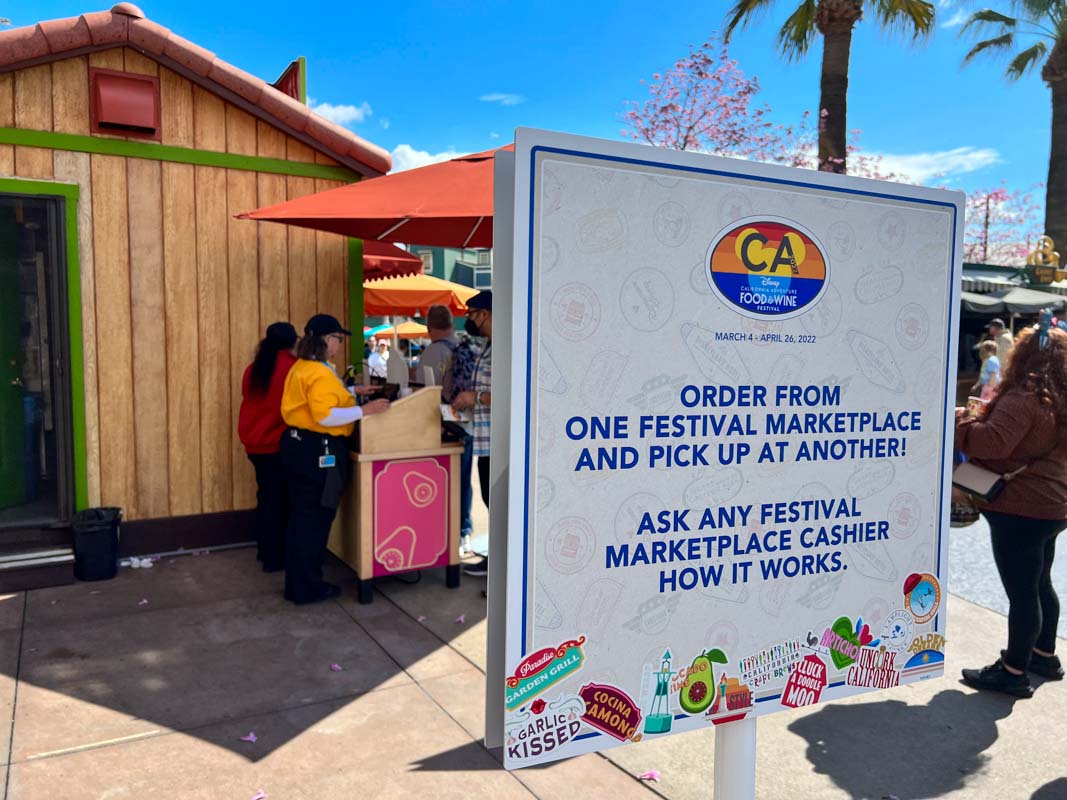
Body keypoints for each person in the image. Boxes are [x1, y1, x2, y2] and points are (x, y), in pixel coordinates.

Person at [956, 319, 1067, 697]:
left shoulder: (1024, 397)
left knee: (1022, 592)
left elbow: (992, 443)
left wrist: (962, 425)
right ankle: (1044, 655)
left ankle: (1013, 669)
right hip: (1054, 507)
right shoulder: (1059, 400)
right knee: (1040, 584)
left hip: (1019, 506)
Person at [280, 314, 389, 604]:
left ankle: (299, 583)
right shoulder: (319, 372)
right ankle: (307, 587)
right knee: (314, 521)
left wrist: (352, 392)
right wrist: (365, 411)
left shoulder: (303, 367)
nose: (339, 346)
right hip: (319, 451)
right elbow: (325, 415)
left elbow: (318, 401)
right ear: (327, 340)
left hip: (298, 447)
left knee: (301, 520)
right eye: (338, 340)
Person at [238, 322, 298, 572]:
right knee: (280, 502)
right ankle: (275, 558)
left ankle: (265, 550)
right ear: (293, 342)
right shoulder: (292, 368)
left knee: (266, 498)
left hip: (253, 443)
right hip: (276, 443)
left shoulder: (254, 368)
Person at [421, 305, 476, 551]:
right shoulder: (467, 347)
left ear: (429, 328)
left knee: (442, 483)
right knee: (463, 481)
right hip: (468, 424)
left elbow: (425, 394)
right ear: (452, 324)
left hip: (444, 427)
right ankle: (463, 531)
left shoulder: (433, 352)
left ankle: (443, 534)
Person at [452, 291, 492, 577]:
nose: (469, 320)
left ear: (485, 314)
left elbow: (512, 390)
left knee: (498, 502)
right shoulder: (489, 345)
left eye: (471, 314)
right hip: (484, 438)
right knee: (492, 501)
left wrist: (474, 397)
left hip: (499, 442)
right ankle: (495, 559)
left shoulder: (506, 345)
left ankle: (499, 564)